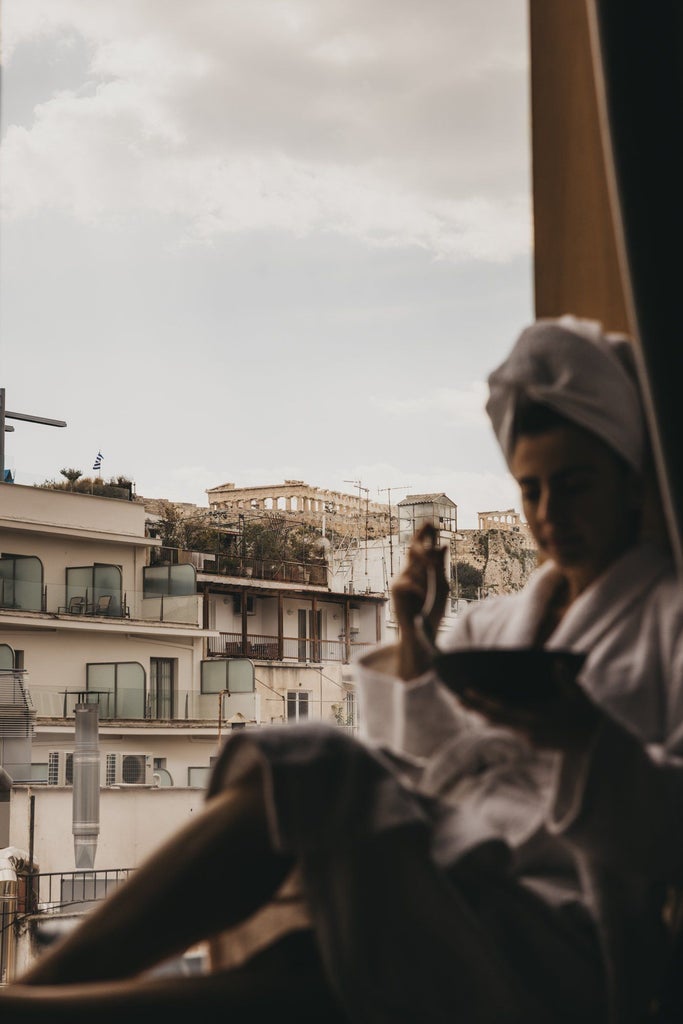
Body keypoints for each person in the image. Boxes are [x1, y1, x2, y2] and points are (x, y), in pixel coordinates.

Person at [3, 314, 683, 1024]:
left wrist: (586, 739)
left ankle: (26, 997)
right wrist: (417, 642)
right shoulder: (493, 626)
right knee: (306, 982)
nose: (548, 514)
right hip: (445, 898)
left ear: (630, 483)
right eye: (531, 489)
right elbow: (410, 772)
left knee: (307, 761)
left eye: (572, 485)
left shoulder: (667, 621)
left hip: (556, 943)